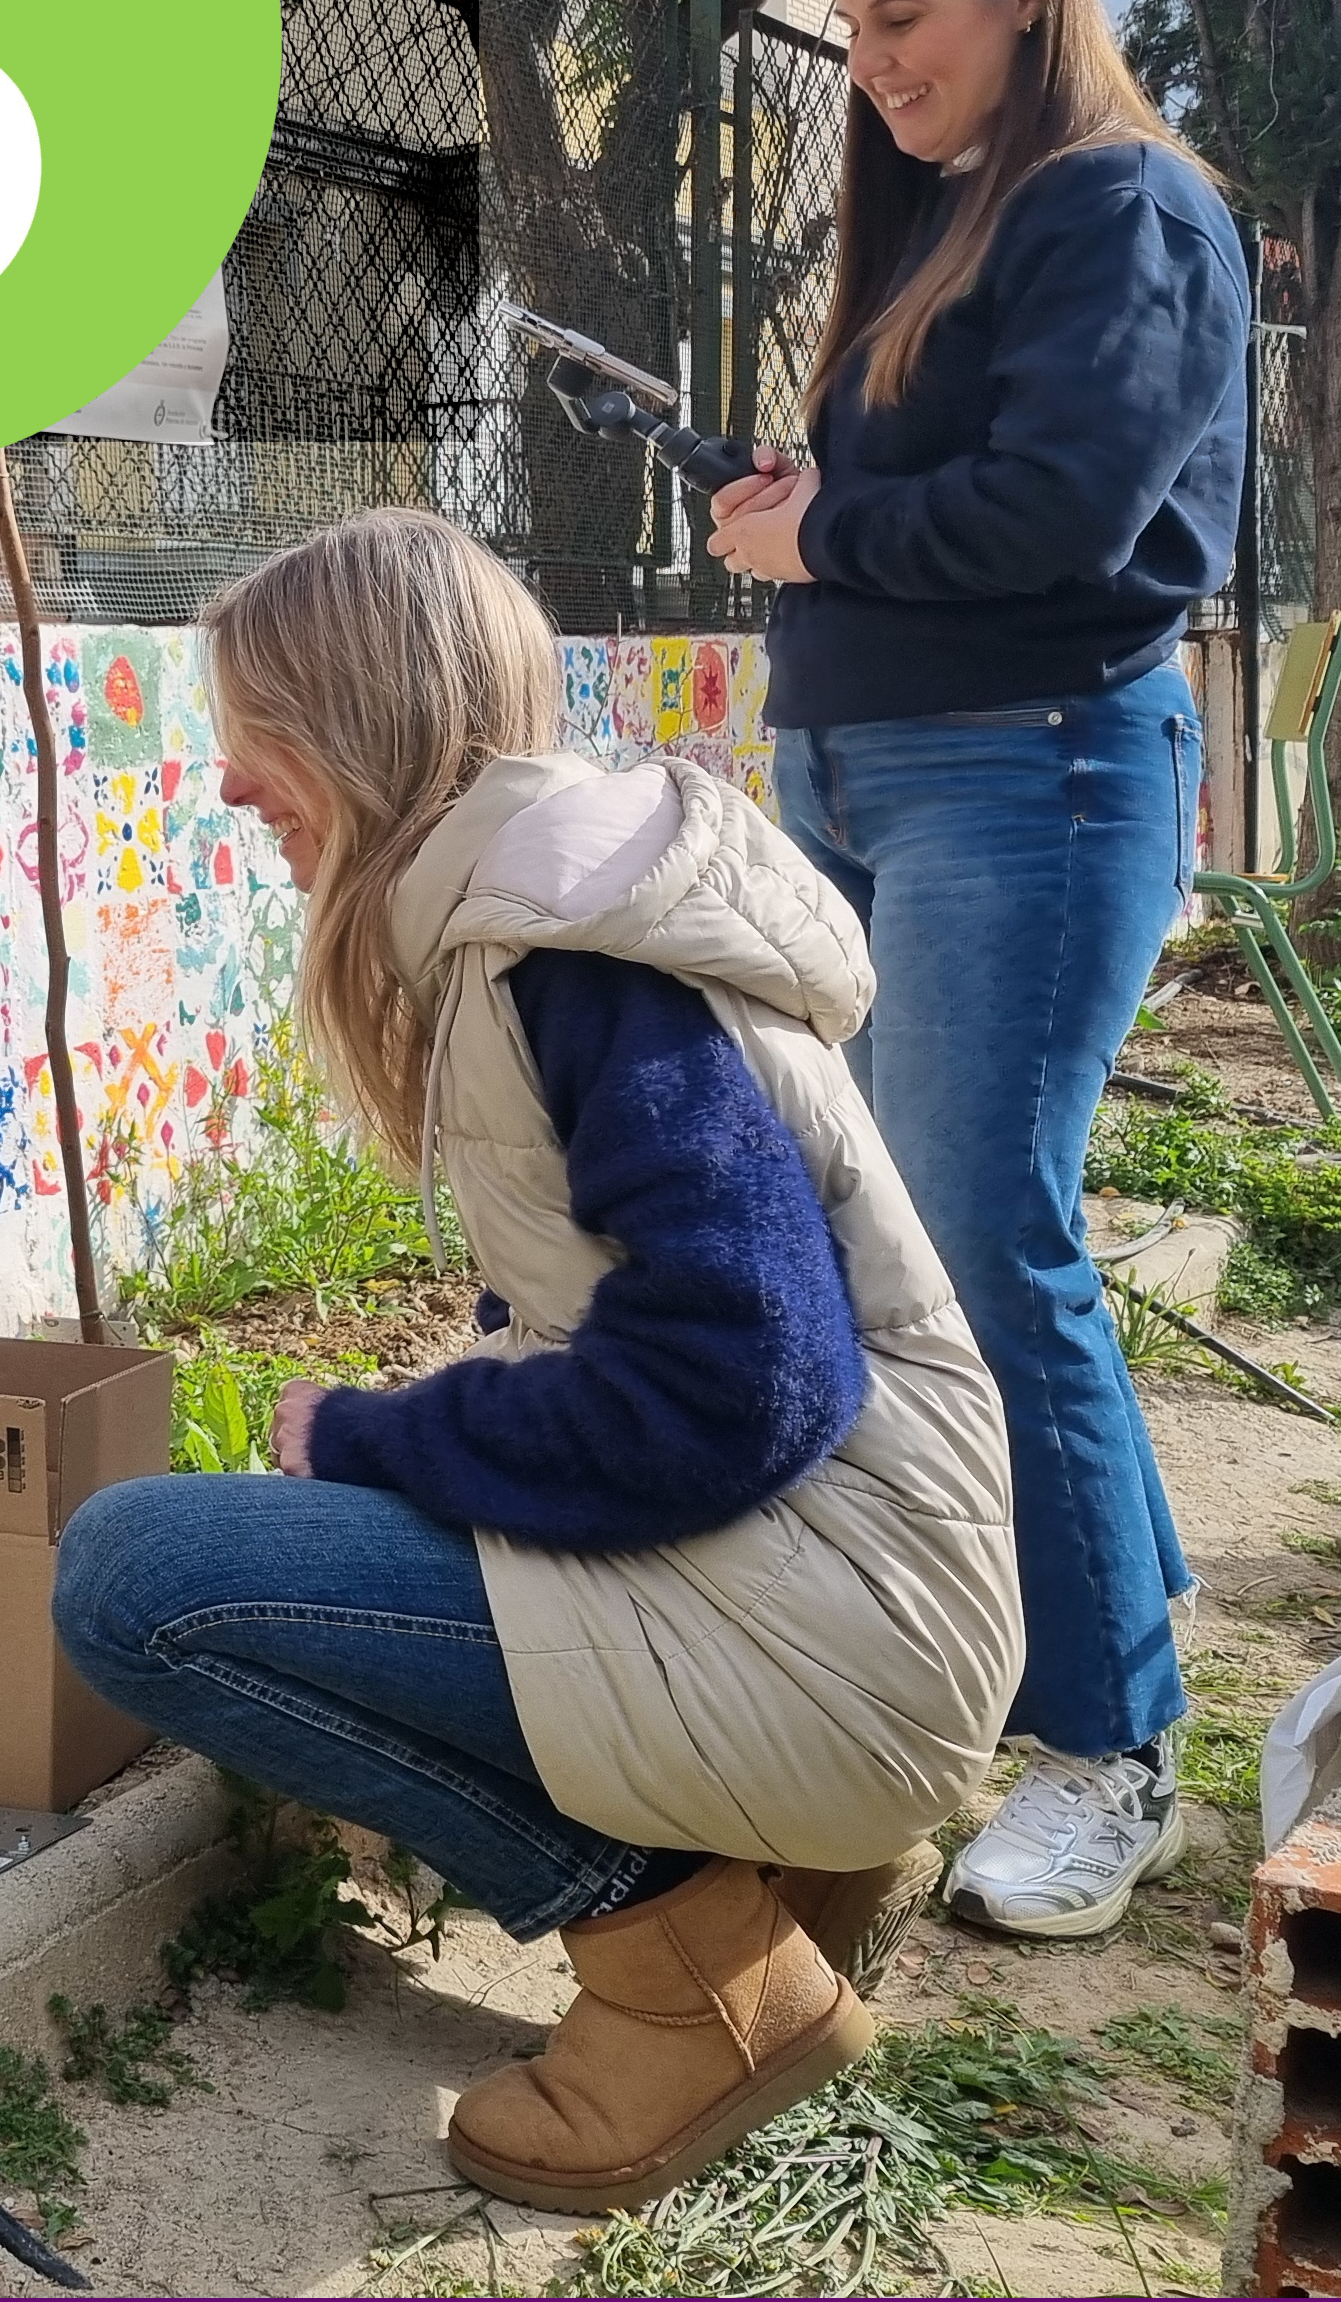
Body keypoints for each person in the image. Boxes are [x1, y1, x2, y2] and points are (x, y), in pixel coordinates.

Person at [50, 510, 1025, 2217]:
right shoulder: (555, 912)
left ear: (353, 724)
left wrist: (383, 1430)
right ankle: (779, 1869)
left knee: (137, 1577)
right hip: (846, 1602)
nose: (226, 786)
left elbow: (737, 1379)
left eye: (250, 734)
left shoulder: (563, 947)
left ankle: (693, 1978)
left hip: (842, 1633)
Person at [703, 0, 1251, 1940]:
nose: (873, 66)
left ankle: (1112, 1755)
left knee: (984, 1241)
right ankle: (1092, 1609)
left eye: (904, 18)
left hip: (1026, 778)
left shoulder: (1127, 204)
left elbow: (1074, 512)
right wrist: (808, 503)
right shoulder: (963, 221)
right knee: (905, 1240)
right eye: (849, 35)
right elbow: (947, 490)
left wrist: (826, 536)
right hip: (878, 777)